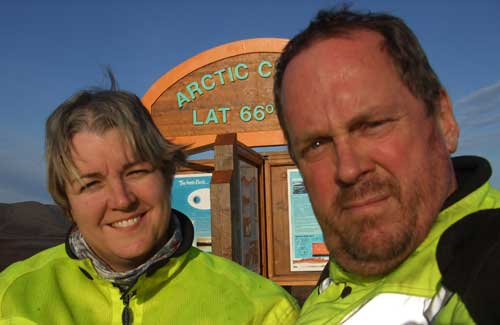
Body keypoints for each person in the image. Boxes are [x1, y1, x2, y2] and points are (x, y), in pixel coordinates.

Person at [0, 76, 299, 324]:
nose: (121, 199)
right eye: (91, 184)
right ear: (66, 202)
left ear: (167, 173)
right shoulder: (10, 297)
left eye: (136, 171)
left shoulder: (263, 311)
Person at [274, 7, 500, 325]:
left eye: (373, 124)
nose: (349, 169)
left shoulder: (482, 269)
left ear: (443, 119)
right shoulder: (338, 275)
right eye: (317, 144)